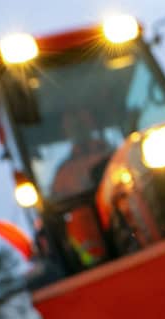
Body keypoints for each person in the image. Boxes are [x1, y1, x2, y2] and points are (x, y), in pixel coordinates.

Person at [51, 108, 112, 267]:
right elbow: (55, 210)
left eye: (81, 122)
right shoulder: (64, 173)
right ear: (66, 131)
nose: (78, 128)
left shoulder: (116, 155)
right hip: (95, 259)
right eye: (72, 125)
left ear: (90, 123)